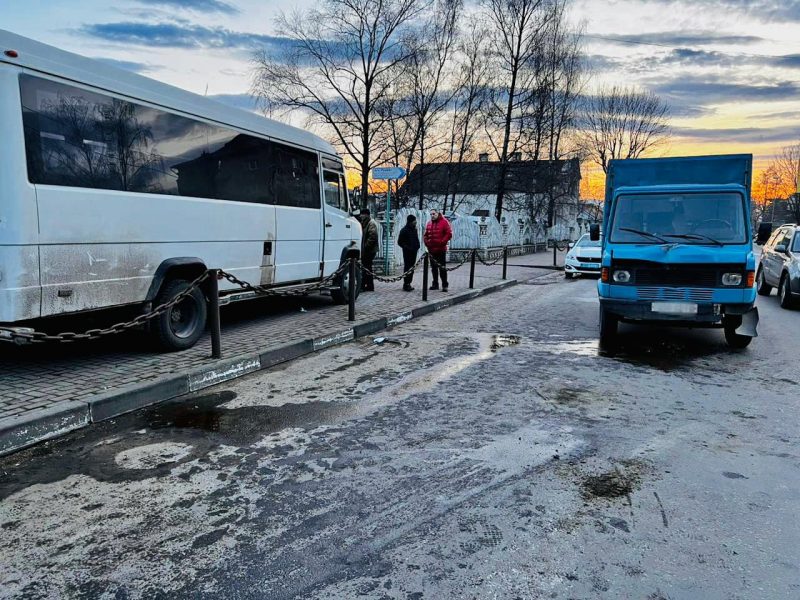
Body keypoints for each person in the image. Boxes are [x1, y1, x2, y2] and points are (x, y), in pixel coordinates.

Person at [424, 208, 452, 292]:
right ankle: (435, 284)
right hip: (431, 250)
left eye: (434, 214)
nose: (432, 216)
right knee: (433, 268)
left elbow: (449, 233)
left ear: (438, 214)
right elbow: (425, 235)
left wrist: (442, 242)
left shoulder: (444, 222)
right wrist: (427, 243)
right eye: (431, 214)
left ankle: (444, 285)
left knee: (442, 268)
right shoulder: (429, 223)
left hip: (441, 249)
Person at [397, 214, 421, 292]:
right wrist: (407, 248)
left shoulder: (414, 229)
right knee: (407, 268)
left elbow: (416, 239)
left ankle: (409, 283)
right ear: (410, 221)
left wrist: (417, 246)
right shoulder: (404, 230)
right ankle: (406, 283)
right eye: (414, 221)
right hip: (407, 252)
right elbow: (400, 242)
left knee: (412, 268)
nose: (415, 222)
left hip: (414, 252)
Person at [358, 208, 379, 291]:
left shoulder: (371, 223)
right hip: (366, 249)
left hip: (370, 250)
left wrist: (365, 247)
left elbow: (372, 237)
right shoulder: (365, 223)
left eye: (362, 214)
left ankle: (367, 285)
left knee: (367, 268)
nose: (361, 216)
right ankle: (367, 285)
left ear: (367, 215)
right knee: (366, 268)